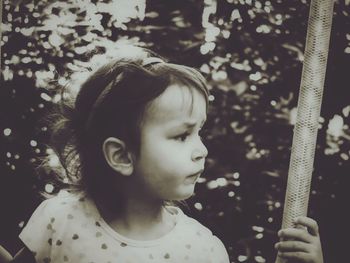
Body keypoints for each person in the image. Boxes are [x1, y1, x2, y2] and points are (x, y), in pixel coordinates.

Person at [0, 46, 324, 263]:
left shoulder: (201, 250)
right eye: (182, 136)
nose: (202, 150)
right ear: (121, 156)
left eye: (200, 132)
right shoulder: (58, 219)